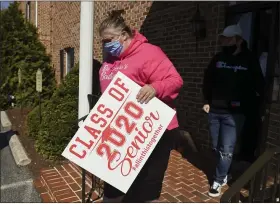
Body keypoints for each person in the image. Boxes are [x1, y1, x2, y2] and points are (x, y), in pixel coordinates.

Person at [98, 10, 183, 203]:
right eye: (102, 41)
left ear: (124, 36)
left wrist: (155, 88)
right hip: (122, 131)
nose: (104, 45)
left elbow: (175, 80)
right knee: (114, 185)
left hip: (151, 130)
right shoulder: (110, 59)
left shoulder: (149, 52)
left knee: (145, 188)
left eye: (108, 40)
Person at [202, 24, 265, 197]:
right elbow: (208, 79)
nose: (225, 41)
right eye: (224, 38)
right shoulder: (218, 58)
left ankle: (218, 179)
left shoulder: (249, 60)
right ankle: (226, 171)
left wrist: (257, 105)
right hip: (215, 111)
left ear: (238, 40)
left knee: (226, 149)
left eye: (229, 39)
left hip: (234, 114)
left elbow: (259, 84)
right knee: (217, 148)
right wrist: (207, 100)